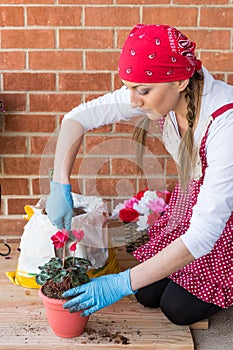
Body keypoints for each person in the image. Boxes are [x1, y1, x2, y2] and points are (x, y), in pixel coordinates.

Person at [46, 24, 233, 325]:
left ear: (181, 81)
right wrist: (60, 184)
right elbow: (77, 119)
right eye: (129, 87)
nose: (133, 101)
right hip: (193, 205)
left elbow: (203, 235)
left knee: (177, 309)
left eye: (142, 91)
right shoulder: (161, 90)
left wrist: (119, 283)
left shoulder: (226, 123)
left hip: (224, 221)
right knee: (146, 294)